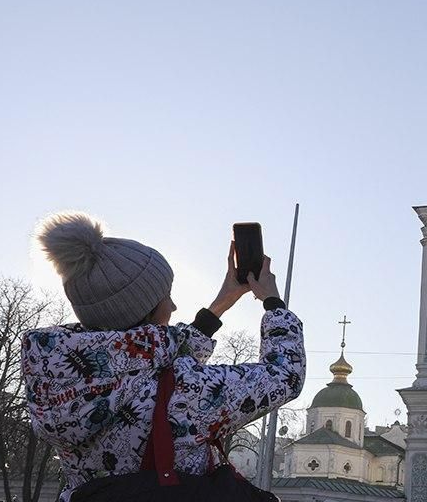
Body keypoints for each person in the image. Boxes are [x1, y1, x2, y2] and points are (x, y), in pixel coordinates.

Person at [21, 212, 306, 502]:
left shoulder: (58, 384)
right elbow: (284, 376)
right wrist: (273, 303)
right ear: (142, 312)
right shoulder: (184, 394)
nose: (173, 304)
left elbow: (151, 362)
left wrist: (221, 304)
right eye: (164, 296)